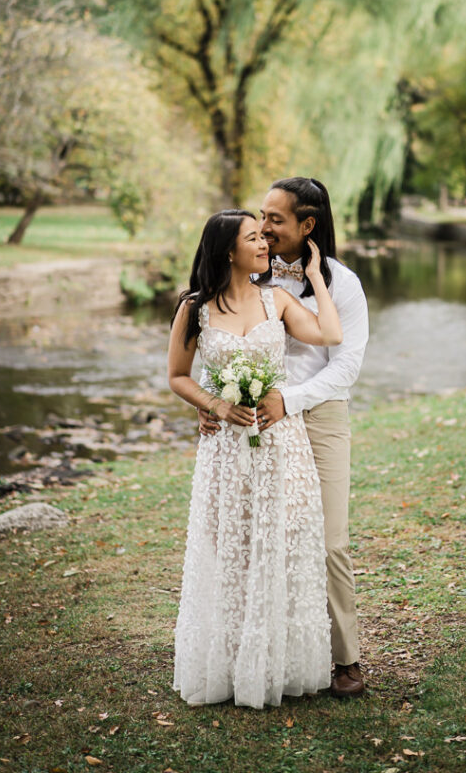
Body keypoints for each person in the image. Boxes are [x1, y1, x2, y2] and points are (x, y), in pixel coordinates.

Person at [199, 179, 369, 698]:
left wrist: (287, 401)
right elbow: (220, 342)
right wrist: (213, 403)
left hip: (316, 416)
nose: (265, 229)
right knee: (258, 537)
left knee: (329, 541)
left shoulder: (341, 284)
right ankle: (264, 652)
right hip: (251, 422)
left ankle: (344, 659)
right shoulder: (249, 275)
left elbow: (347, 365)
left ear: (307, 226)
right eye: (261, 219)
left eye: (275, 219)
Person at [167, 209, 342, 709]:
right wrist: (215, 404)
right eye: (254, 238)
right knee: (231, 547)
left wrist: (314, 277)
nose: (265, 243)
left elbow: (330, 335)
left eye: (265, 236)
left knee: (280, 546)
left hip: (281, 445)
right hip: (225, 450)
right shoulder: (194, 308)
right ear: (227, 250)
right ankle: (229, 662)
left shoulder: (278, 300)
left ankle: (279, 663)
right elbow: (178, 376)